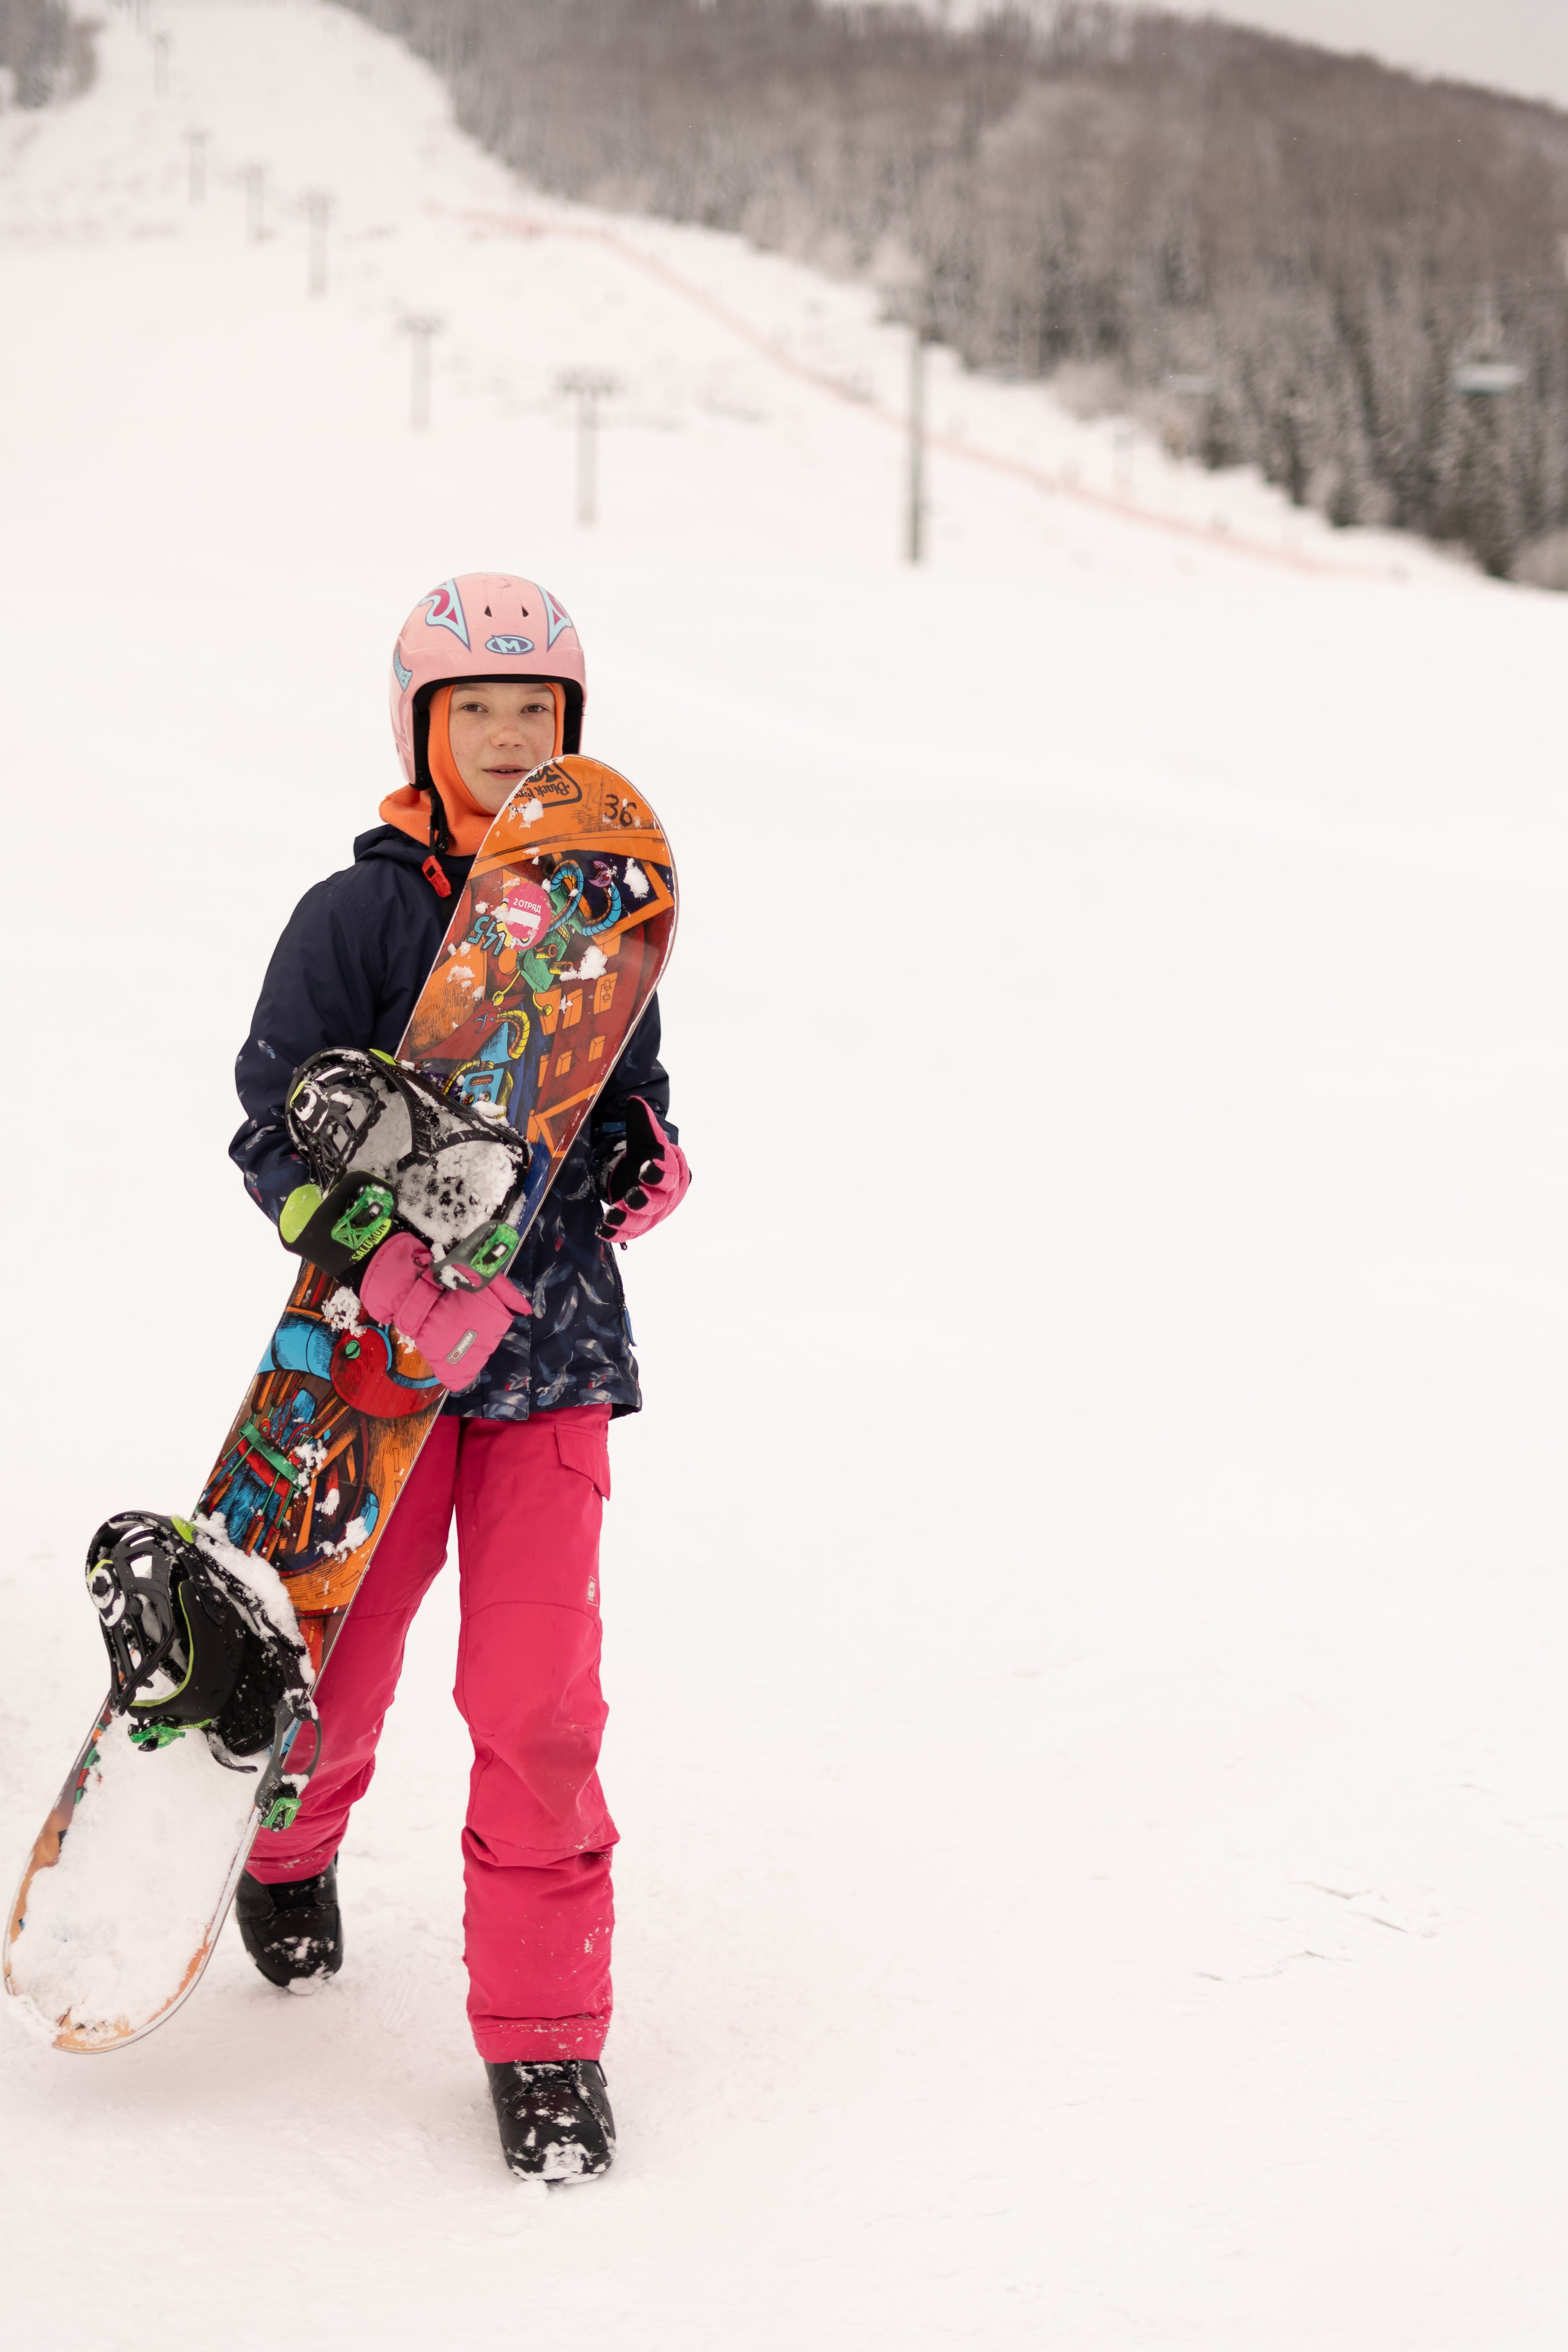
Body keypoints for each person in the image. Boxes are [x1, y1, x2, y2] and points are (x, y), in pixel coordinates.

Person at [226, 573, 688, 2182]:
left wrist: (640, 1151)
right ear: (423, 731)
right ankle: (283, 1845)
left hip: (550, 1361)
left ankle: (547, 2044)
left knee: (538, 1703)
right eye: (476, 713)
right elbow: (271, 1116)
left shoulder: (596, 914)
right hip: (375, 1370)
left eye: (536, 714)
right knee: (339, 1663)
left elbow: (623, 1095)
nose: (507, 739)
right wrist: (371, 1241)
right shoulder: (351, 919)